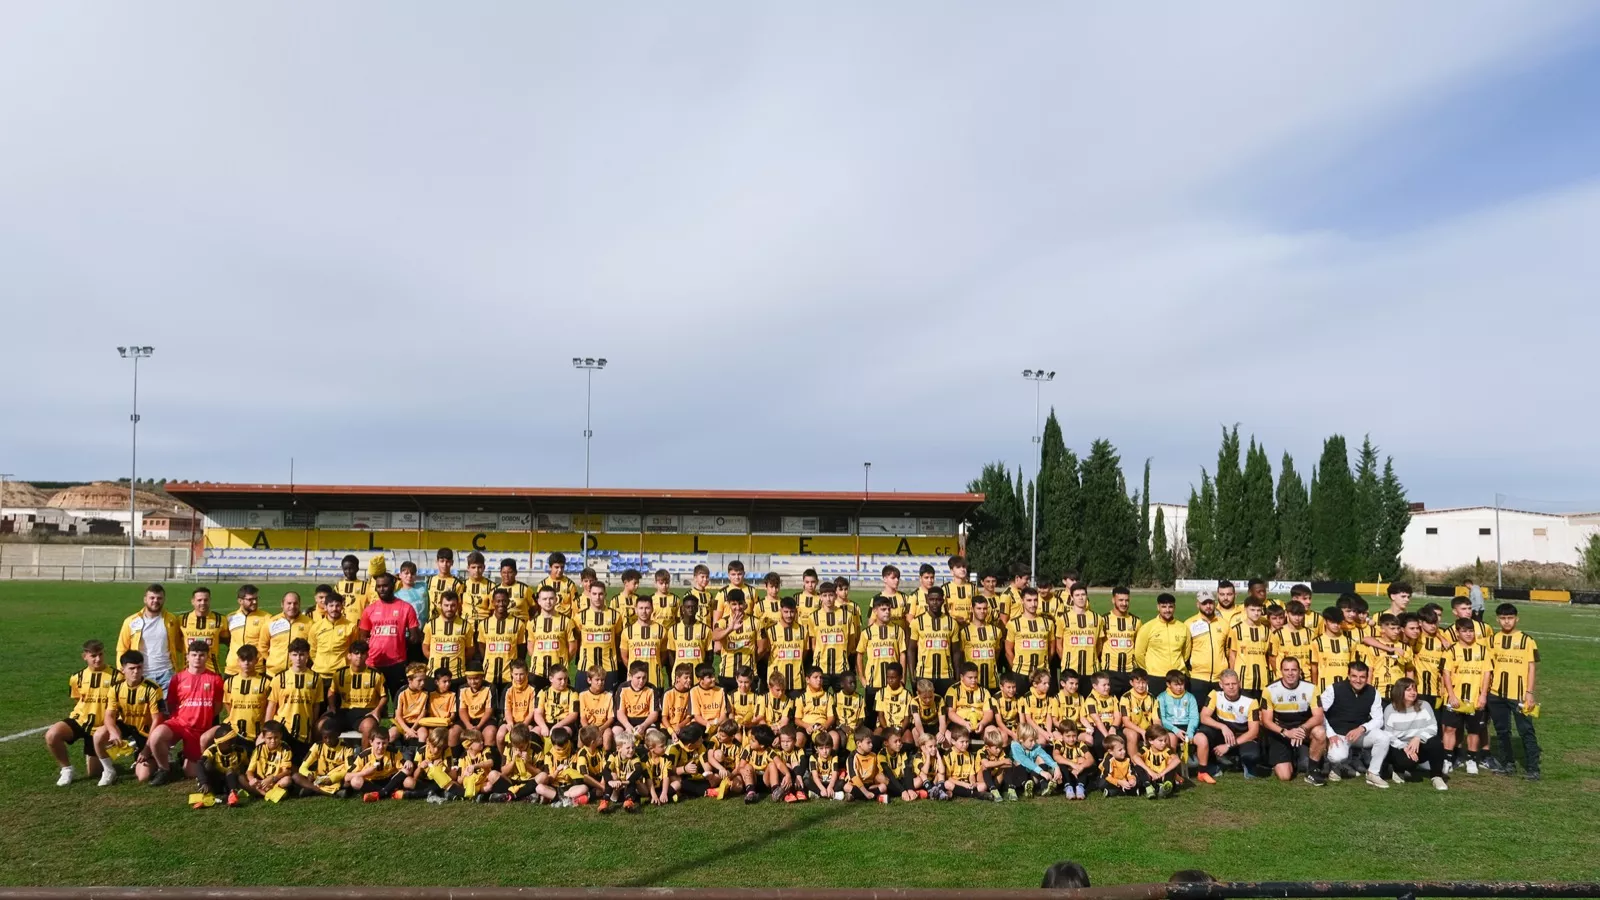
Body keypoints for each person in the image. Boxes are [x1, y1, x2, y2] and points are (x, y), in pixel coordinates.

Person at [145, 640, 224, 785]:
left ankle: (184, 756)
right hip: (179, 724)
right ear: (187, 657)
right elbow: (171, 704)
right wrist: (182, 717)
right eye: (194, 655)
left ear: (207, 657)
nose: (197, 658)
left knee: (191, 773)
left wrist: (202, 717)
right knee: (156, 735)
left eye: (201, 655)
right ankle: (164, 769)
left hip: (199, 729)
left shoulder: (216, 680)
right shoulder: (178, 678)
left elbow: (218, 707)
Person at [45, 639, 117, 786]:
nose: (98, 659)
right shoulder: (76, 678)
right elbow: (78, 700)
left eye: (101, 654)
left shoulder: (117, 677)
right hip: (80, 720)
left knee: (94, 774)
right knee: (52, 735)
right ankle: (66, 769)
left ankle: (102, 757)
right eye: (93, 655)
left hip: (100, 726)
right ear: (84, 656)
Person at [92, 650, 166, 786]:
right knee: (98, 735)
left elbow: (157, 719)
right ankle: (108, 771)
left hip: (146, 731)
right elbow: (109, 715)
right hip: (127, 726)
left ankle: (157, 756)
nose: (136, 672)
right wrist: (113, 732)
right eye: (132, 668)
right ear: (123, 670)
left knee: (143, 777)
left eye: (139, 668)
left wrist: (147, 748)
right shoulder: (116, 688)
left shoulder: (152, 689)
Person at [1484, 603, 1541, 779]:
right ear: (1497, 619)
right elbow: (1488, 667)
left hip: (1519, 695)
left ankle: (1533, 769)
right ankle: (1508, 764)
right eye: (1503, 618)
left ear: (1517, 619)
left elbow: (1532, 668)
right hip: (1496, 694)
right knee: (1502, 731)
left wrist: (1529, 693)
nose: (1506, 622)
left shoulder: (1527, 640)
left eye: (1509, 618)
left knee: (1526, 731)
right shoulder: (1492, 640)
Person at [1319, 660, 1391, 788]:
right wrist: (1330, 734)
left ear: (1367, 677)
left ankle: (1373, 773)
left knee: (1384, 737)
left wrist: (1363, 728)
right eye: (1354, 676)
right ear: (1348, 676)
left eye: (1362, 677)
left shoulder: (1373, 692)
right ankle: (1335, 766)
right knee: (1337, 756)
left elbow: (1379, 719)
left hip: (1358, 734)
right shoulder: (1334, 689)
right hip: (1337, 733)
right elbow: (1319, 713)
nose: (1358, 680)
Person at [1260, 657, 1328, 785]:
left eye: (1294, 670)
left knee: (1319, 731)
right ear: (1281, 671)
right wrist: (1285, 732)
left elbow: (1318, 716)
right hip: (1282, 732)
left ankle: (1312, 772)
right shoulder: (1269, 690)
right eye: (1286, 670)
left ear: (1299, 671)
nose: (1290, 673)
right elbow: (1266, 721)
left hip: (1303, 730)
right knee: (1285, 776)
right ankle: (1293, 758)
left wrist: (1302, 728)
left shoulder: (1311, 688)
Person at [357, 572, 421, 696]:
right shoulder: (369, 610)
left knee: (399, 700)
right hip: (374, 662)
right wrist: (372, 645)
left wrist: (400, 642)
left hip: (397, 663)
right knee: (375, 702)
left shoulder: (406, 608)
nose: (381, 589)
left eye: (385, 586)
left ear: (393, 585)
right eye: (379, 586)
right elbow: (363, 636)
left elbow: (415, 637)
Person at [1382, 677, 1448, 790]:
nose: (1413, 692)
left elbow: (1433, 727)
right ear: (1399, 691)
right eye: (1408, 690)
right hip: (1399, 747)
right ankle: (1398, 770)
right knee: (1407, 762)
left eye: (1414, 689)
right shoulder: (1390, 709)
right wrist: (1404, 747)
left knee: (1435, 742)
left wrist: (1418, 738)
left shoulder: (1425, 705)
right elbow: (1388, 734)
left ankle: (1437, 777)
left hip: (1419, 744)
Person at [116, 584, 185, 690]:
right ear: (145, 599)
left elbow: (178, 644)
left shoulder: (171, 620)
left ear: (163, 600)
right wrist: (122, 670)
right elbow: (122, 648)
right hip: (141, 674)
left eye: (159, 598)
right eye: (152, 598)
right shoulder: (131, 621)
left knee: (167, 706)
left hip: (166, 674)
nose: (155, 601)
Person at [1195, 669, 1261, 782]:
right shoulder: (1215, 694)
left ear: (1239, 683)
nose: (1231, 687)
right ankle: (1207, 767)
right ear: (1221, 685)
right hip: (1223, 734)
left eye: (1234, 684)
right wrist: (1222, 727)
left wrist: (1229, 746)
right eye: (1227, 684)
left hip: (1242, 737)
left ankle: (1244, 763)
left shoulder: (1251, 701)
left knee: (1252, 755)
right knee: (1202, 734)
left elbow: (1254, 732)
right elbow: (1204, 717)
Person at [1185, 590, 1227, 708]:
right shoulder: (1189, 624)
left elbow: (1228, 650)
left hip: (1219, 678)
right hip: (1198, 677)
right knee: (1197, 711)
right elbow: (1186, 651)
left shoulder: (1224, 624)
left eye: (1210, 603)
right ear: (1198, 604)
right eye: (1204, 603)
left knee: (1218, 713)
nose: (1208, 606)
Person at [1134, 593, 1190, 681]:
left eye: (1170, 607)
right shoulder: (1147, 627)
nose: (1167, 610)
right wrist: (1149, 669)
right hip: (1155, 676)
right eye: (1164, 607)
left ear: (1174, 607)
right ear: (1158, 607)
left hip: (1178, 676)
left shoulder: (1183, 628)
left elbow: (1185, 653)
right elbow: (1139, 654)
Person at [177, 587, 227, 674]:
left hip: (213, 671)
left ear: (210, 600)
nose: (203, 603)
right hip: (188, 671)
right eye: (199, 600)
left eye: (206, 600)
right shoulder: (182, 620)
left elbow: (229, 642)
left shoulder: (220, 620)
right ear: (193, 601)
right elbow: (175, 643)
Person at [265, 592, 314, 677]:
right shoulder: (271, 622)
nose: (292, 606)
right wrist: (272, 661)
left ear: (299, 604)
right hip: (273, 674)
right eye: (289, 603)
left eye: (295, 603)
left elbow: (313, 647)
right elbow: (263, 646)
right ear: (282, 604)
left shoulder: (309, 623)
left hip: (298, 673)